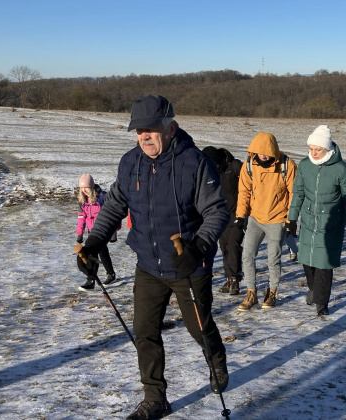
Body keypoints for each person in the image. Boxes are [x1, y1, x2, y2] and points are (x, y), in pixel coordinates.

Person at [77, 95, 230, 419]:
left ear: (170, 127)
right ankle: (155, 397)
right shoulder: (130, 163)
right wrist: (92, 245)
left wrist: (199, 246)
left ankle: (216, 358)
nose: (143, 136)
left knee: (198, 329)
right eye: (138, 130)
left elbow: (217, 211)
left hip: (188, 266)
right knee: (145, 330)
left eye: (150, 129)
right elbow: (114, 206)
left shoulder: (196, 163)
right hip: (148, 264)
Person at [287, 125, 346, 316]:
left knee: (324, 265)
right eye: (311, 149)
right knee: (307, 261)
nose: (314, 153)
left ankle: (322, 304)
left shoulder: (342, 169)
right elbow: (298, 193)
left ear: (327, 149)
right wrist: (292, 219)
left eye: (317, 149)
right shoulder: (304, 165)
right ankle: (313, 289)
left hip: (331, 224)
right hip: (309, 221)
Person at [236, 132, 296, 311]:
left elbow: (294, 193)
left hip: (277, 220)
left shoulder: (287, 165)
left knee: (273, 259)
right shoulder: (248, 164)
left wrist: (291, 219)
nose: (262, 155)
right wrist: (240, 215)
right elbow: (244, 191)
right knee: (247, 255)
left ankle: (272, 292)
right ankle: (251, 292)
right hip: (255, 218)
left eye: (266, 152)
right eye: (259, 151)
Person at [201, 146, 244, 295]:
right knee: (224, 247)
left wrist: (244, 213)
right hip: (221, 216)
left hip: (238, 214)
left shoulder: (235, 166)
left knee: (233, 246)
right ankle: (229, 278)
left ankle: (234, 279)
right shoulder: (211, 170)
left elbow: (248, 186)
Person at [75, 174, 117, 290]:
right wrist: (80, 233)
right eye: (81, 188)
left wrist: (113, 233)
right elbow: (81, 218)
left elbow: (112, 215)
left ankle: (92, 279)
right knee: (99, 252)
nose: (84, 190)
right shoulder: (82, 201)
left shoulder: (102, 197)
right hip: (91, 232)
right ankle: (108, 274)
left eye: (86, 188)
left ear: (92, 187)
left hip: (104, 231)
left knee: (95, 252)